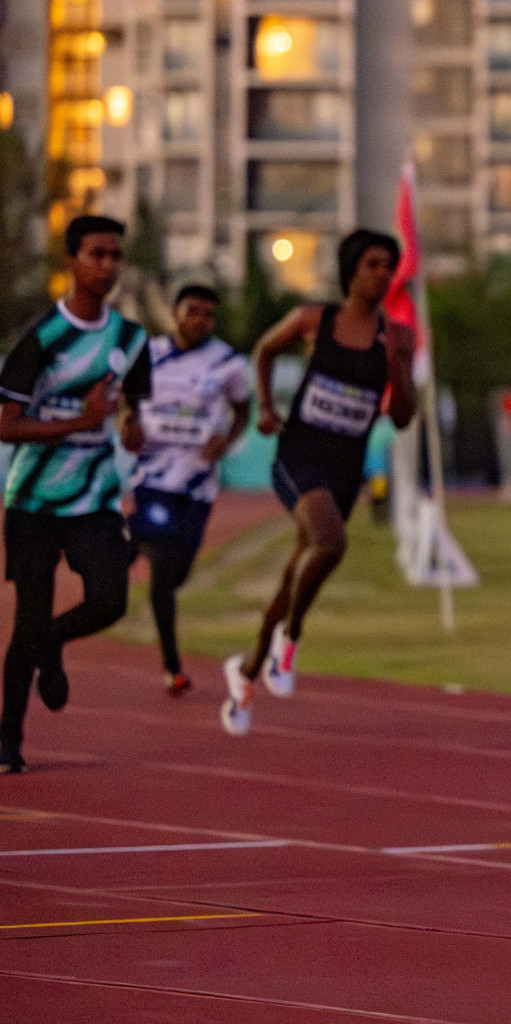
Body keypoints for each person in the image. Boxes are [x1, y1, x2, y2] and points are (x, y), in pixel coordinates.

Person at [220, 229, 417, 737]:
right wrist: (265, 406)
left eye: (388, 266)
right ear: (352, 269)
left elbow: (401, 419)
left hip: (344, 468)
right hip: (298, 456)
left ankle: (247, 672)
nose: (382, 274)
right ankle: (292, 635)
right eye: (372, 263)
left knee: (295, 571)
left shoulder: (397, 338)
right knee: (331, 541)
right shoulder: (315, 320)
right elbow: (263, 349)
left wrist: (399, 367)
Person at [0, 215, 151, 774]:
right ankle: (8, 738)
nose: (107, 266)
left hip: (95, 497)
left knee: (110, 598)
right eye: (96, 254)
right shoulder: (41, 339)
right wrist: (76, 423)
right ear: (72, 260)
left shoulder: (132, 340)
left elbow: (134, 411)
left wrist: (134, 429)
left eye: (115, 256)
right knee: (27, 618)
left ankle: (54, 642)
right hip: (35, 500)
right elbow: (4, 424)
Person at [123, 284, 252, 696]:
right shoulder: (148, 354)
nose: (199, 319)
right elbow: (126, 400)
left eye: (208, 314)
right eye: (192, 310)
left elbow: (243, 408)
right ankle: (172, 667)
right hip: (155, 477)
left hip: (198, 484)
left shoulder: (228, 362)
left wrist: (226, 440)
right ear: (175, 312)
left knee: (179, 572)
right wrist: (129, 423)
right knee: (162, 572)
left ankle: (129, 535)